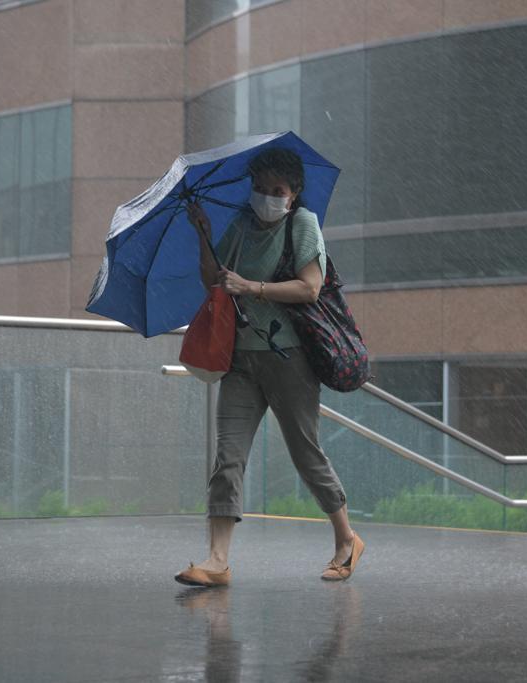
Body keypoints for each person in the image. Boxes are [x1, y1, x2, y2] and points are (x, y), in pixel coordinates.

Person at [175, 148, 364, 587]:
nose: (266, 197)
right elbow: (214, 281)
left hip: (290, 358)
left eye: (276, 190)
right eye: (259, 188)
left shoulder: (302, 225)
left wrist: (252, 287)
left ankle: (346, 539)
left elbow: (310, 288)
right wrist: (203, 235)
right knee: (229, 457)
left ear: (293, 194)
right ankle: (217, 560)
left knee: (305, 453)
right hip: (241, 361)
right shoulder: (241, 225)